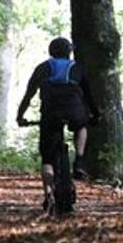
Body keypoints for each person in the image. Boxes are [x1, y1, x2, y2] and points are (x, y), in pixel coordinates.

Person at [17, 38, 100, 201]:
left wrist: (20, 116)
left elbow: (28, 95)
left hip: (50, 113)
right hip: (74, 111)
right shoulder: (77, 67)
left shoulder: (42, 68)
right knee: (81, 126)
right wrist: (96, 115)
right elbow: (89, 97)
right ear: (69, 52)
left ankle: (48, 193)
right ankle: (80, 160)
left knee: (47, 156)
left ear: (51, 52)